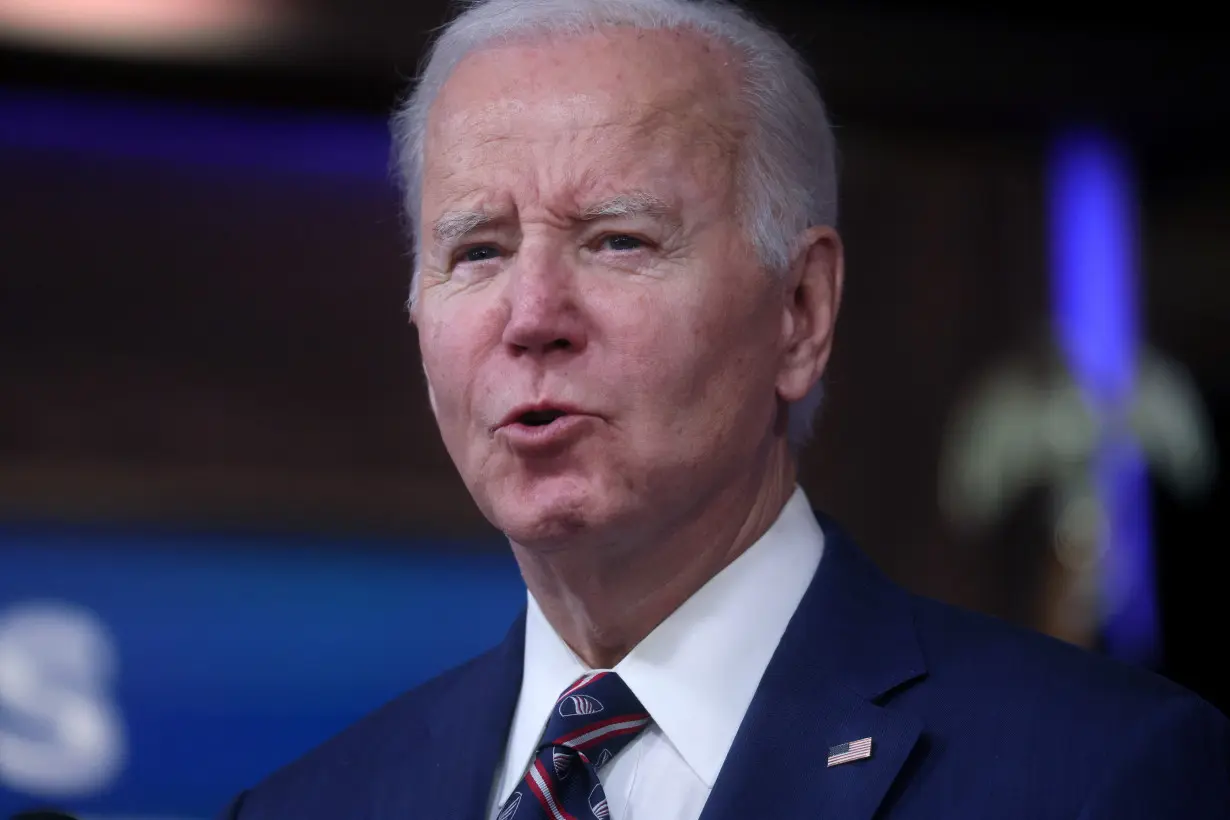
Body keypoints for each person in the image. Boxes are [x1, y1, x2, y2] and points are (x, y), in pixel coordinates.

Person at [216, 0, 1230, 817]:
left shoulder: (1097, 777)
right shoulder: (306, 803)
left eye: (618, 239)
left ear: (799, 311)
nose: (531, 317)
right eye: (477, 250)